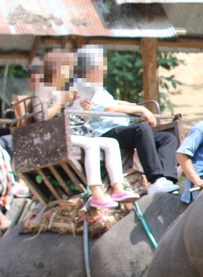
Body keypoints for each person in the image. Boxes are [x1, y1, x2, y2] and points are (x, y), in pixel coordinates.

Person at [72, 46, 180, 195]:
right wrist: (141, 110)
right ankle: (155, 179)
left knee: (167, 138)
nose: (104, 68)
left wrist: (135, 106)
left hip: (118, 130)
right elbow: (109, 107)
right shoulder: (83, 86)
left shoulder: (98, 88)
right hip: (103, 133)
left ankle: (168, 180)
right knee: (141, 130)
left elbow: (115, 101)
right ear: (91, 68)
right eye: (101, 65)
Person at [38, 50, 139, 209]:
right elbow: (42, 118)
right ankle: (96, 192)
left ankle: (118, 188)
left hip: (71, 132)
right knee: (91, 144)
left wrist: (85, 111)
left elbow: (74, 119)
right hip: (55, 137)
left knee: (111, 143)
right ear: (57, 69)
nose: (70, 73)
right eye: (67, 68)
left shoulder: (62, 92)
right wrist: (62, 101)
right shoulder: (44, 89)